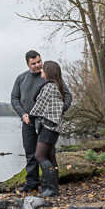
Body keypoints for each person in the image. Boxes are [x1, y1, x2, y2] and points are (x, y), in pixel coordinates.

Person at [11, 51, 72, 193]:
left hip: (46, 123)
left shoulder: (50, 76)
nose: (38, 65)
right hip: (28, 122)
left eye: (39, 61)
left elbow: (67, 95)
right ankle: (31, 183)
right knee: (30, 153)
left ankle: (47, 185)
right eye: (34, 63)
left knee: (47, 154)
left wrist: (58, 110)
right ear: (28, 64)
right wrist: (23, 114)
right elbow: (14, 98)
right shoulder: (21, 78)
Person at [28, 61, 67, 197]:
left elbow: (40, 105)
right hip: (53, 126)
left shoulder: (50, 86)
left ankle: (52, 188)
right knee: (50, 156)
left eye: (43, 69)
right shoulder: (56, 85)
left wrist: (30, 117)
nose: (41, 71)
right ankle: (53, 188)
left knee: (39, 155)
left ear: (48, 71)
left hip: (48, 126)